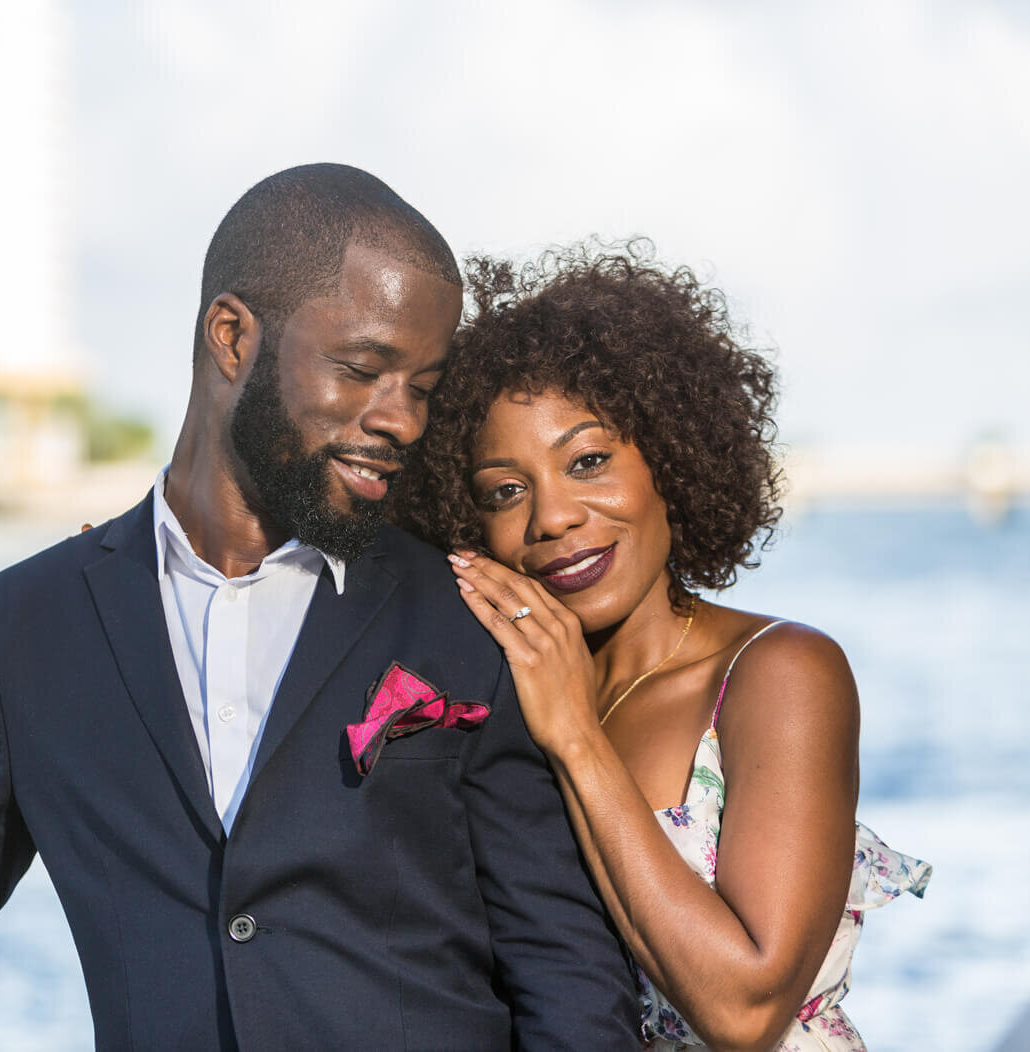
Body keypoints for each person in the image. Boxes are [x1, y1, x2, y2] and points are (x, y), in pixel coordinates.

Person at [0, 166, 640, 1052]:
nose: (401, 419)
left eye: (422, 390)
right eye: (361, 369)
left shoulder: (463, 612)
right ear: (232, 338)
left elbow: (560, 957)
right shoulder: (32, 620)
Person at [394, 242, 930, 1051]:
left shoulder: (778, 675)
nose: (554, 517)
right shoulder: (506, 697)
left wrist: (575, 739)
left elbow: (744, 1011)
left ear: (670, 457)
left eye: (589, 461)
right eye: (507, 491)